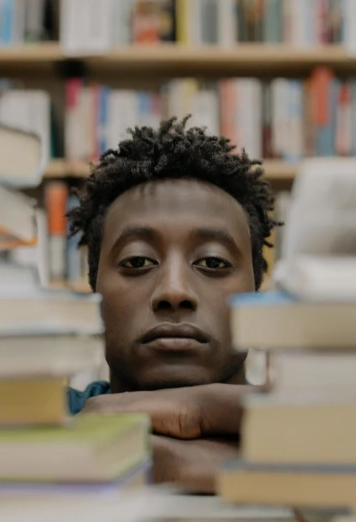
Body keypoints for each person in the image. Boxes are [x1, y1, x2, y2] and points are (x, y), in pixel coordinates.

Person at [66, 117, 279, 493]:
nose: (174, 291)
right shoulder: (36, 418)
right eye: (137, 261)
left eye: (213, 262)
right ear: (94, 291)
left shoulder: (329, 434)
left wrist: (196, 417)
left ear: (256, 296)